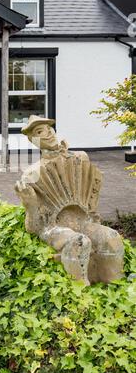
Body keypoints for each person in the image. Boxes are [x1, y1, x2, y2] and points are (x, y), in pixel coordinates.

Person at [15, 115, 124, 285]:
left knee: (111, 237)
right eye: (39, 131)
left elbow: (92, 188)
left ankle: (115, 287)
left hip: (83, 221)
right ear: (33, 140)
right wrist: (30, 204)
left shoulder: (80, 157)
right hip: (53, 227)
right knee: (79, 241)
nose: (48, 133)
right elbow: (33, 227)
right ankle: (81, 295)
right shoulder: (32, 174)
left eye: (50, 129)